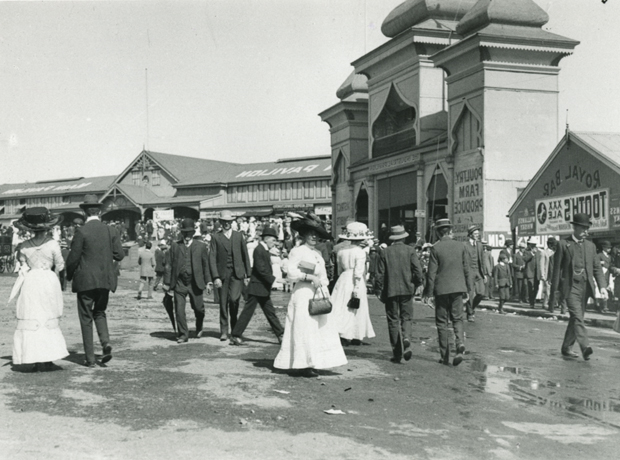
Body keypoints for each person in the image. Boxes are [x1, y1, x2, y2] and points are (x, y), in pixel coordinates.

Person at [274, 213, 346, 377]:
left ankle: (313, 361)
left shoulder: (318, 254)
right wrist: (309, 277)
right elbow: (291, 272)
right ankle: (302, 363)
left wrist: (324, 284)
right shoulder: (297, 251)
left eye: (317, 234)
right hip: (303, 293)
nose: (314, 237)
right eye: (311, 234)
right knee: (304, 328)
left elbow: (324, 276)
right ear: (304, 234)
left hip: (317, 294)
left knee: (317, 328)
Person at [66, 195, 124, 367]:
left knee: (86, 318)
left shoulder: (81, 231)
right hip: (105, 280)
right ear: (99, 211)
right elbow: (119, 255)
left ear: (84, 212)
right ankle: (105, 342)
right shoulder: (110, 230)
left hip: (85, 281)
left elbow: (73, 258)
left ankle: (90, 359)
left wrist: (69, 275)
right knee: (100, 312)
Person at [10, 208, 69, 372]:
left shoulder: (25, 246)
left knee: (33, 315)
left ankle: (33, 356)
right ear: (48, 227)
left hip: (31, 282)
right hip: (47, 281)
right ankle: (46, 358)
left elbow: (22, 264)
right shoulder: (52, 244)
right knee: (47, 316)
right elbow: (60, 265)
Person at [551, 213, 607, 361]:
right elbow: (556, 270)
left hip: (585, 287)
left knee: (577, 318)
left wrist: (602, 286)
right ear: (574, 227)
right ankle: (585, 346)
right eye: (583, 228)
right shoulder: (563, 244)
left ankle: (566, 347)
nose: (586, 231)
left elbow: (597, 269)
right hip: (570, 287)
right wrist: (555, 292)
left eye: (587, 228)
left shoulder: (591, 246)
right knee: (577, 316)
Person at [423, 219, 471, 366]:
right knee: (457, 319)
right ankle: (460, 344)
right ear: (450, 231)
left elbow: (431, 274)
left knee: (442, 323)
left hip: (441, 290)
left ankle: (444, 356)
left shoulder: (436, 249)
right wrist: (468, 289)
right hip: (458, 288)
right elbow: (467, 270)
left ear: (438, 232)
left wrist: (428, 294)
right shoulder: (461, 246)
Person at [374, 225, 424, 363]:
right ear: (404, 237)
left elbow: (379, 275)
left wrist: (378, 290)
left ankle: (397, 353)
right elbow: (418, 271)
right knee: (406, 318)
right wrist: (418, 283)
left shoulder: (385, 252)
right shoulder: (410, 250)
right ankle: (406, 337)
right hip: (408, 289)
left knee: (393, 321)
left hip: (390, 290)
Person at [230, 227, 284, 346]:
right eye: (274, 241)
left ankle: (280, 334)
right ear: (267, 239)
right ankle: (235, 335)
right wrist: (276, 280)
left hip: (260, 287)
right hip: (257, 287)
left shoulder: (263, 250)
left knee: (269, 312)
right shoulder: (259, 250)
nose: (275, 243)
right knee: (249, 313)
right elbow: (261, 270)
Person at [163, 218, 212, 343]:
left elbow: (206, 265)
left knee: (198, 308)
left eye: (189, 233)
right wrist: (167, 283)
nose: (187, 235)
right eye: (184, 233)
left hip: (195, 282)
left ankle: (199, 324)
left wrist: (208, 282)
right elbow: (169, 265)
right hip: (179, 282)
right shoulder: (175, 246)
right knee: (179, 310)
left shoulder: (201, 246)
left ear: (193, 233)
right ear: (181, 233)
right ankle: (183, 334)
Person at [330, 222, 376, 346]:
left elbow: (339, 269)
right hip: (355, 280)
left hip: (343, 278)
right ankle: (355, 334)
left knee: (341, 306)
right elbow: (358, 271)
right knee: (356, 307)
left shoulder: (342, 251)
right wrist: (356, 286)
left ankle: (341, 332)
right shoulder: (360, 252)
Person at [209, 210, 251, 341]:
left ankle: (235, 329)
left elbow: (245, 255)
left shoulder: (239, 236)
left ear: (232, 222)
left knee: (234, 300)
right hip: (222, 275)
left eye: (228, 222)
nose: (226, 224)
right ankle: (223, 331)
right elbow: (212, 257)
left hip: (237, 274)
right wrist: (215, 277)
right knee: (223, 303)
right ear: (220, 223)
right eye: (224, 222)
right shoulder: (216, 237)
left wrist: (248, 274)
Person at [464, 225, 487, 322]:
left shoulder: (480, 245)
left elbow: (482, 261)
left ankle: (471, 308)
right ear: (470, 235)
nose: (477, 235)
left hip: (478, 271)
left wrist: (484, 274)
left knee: (481, 293)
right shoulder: (464, 245)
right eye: (475, 234)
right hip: (469, 272)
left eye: (478, 233)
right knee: (470, 293)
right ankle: (470, 314)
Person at [596, 240, 612, 313]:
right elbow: (595, 263)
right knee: (602, 289)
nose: (609, 249)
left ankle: (606, 306)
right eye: (608, 248)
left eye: (610, 248)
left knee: (608, 289)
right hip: (601, 273)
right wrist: (601, 263)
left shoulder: (609, 256)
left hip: (608, 274)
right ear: (604, 248)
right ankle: (601, 307)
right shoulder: (599, 255)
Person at [523, 238, 538, 307]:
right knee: (531, 287)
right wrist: (532, 253)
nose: (533, 246)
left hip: (536, 272)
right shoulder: (526, 251)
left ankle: (533, 300)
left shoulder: (538, 251)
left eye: (534, 245)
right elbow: (525, 259)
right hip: (530, 272)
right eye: (532, 245)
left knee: (536, 287)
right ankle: (532, 302)